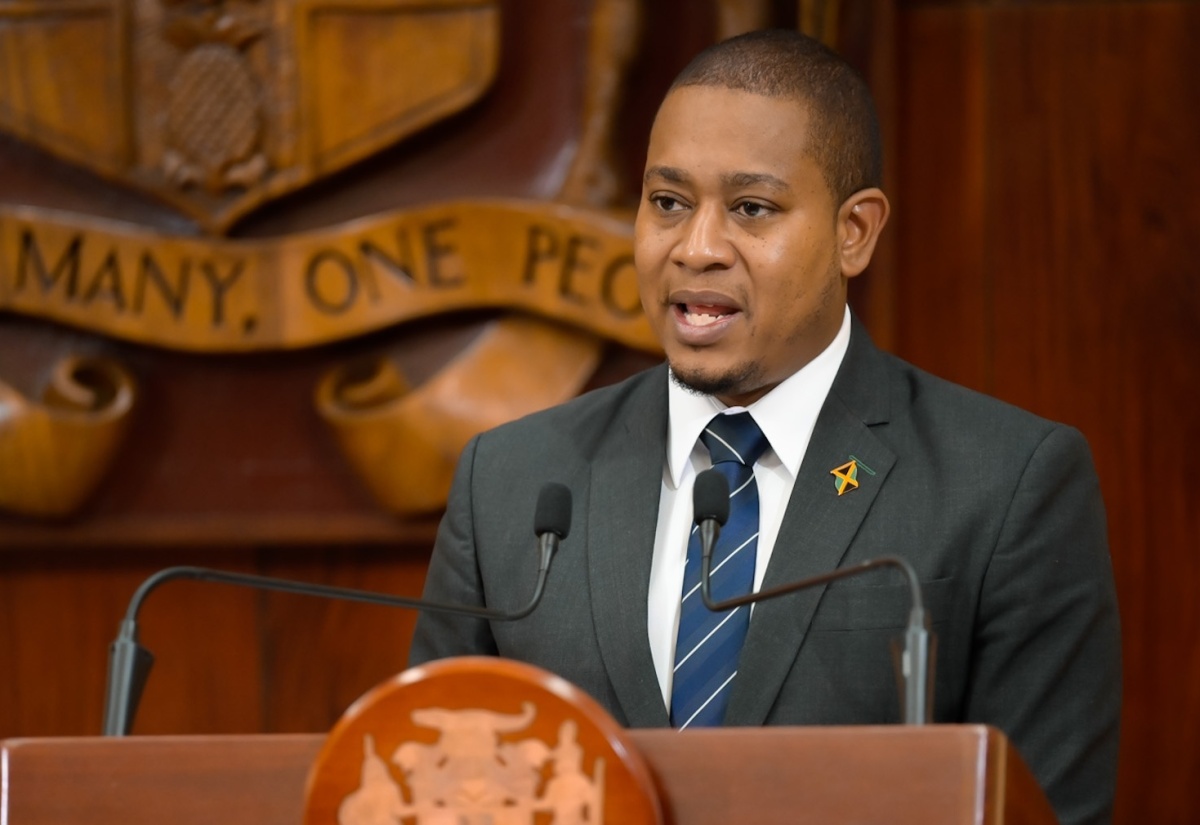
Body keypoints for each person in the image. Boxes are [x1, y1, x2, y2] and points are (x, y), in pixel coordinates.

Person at [409, 29, 1121, 825]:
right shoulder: (510, 482)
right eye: (668, 203)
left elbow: (1048, 806)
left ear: (854, 232)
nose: (698, 247)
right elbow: (426, 788)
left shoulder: (1006, 484)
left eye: (751, 208)